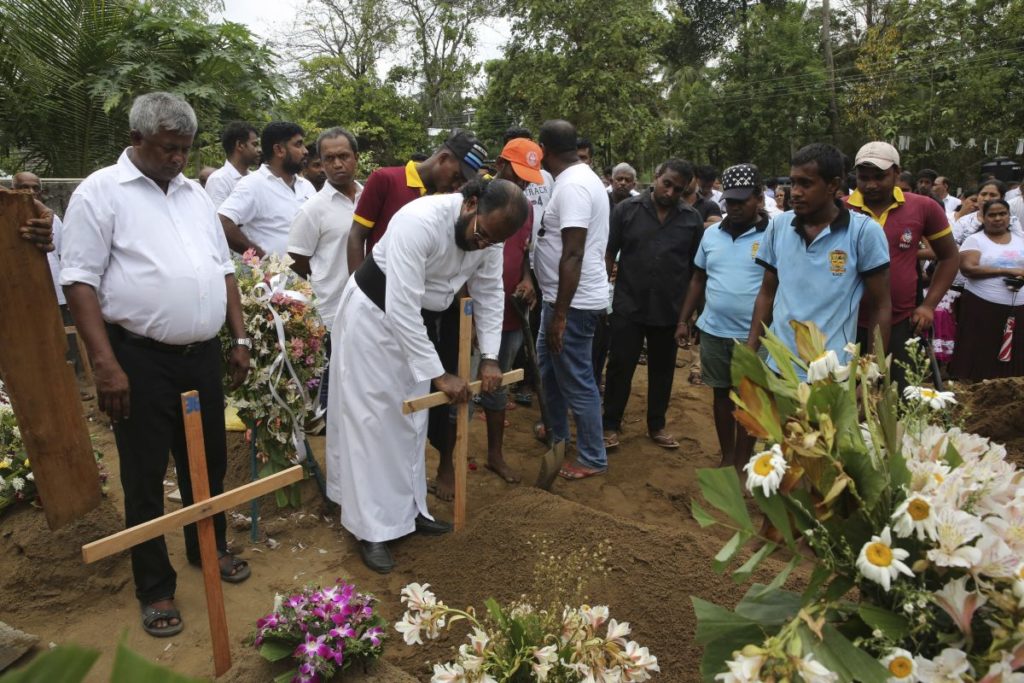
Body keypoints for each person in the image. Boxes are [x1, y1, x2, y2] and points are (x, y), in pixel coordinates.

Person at [59, 92, 251, 638]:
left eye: (186, 149)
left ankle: (206, 549)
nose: (179, 160)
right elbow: (78, 279)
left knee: (207, 464)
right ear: (137, 138)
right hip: (137, 360)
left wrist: (239, 338)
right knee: (144, 475)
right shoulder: (101, 192)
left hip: (201, 358)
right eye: (169, 148)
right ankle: (155, 586)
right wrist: (105, 364)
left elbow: (224, 271)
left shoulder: (193, 195)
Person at [326, 179, 529, 573]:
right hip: (373, 316)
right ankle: (372, 529)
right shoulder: (418, 221)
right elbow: (399, 302)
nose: (483, 246)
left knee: (411, 421)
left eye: (494, 242)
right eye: (482, 235)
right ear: (471, 204)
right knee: (373, 422)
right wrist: (438, 374)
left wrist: (489, 356)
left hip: (415, 324)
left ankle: (409, 510)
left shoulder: (491, 234)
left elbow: (488, 291)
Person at [747, 143, 892, 376]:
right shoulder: (778, 226)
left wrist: (872, 370)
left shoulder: (864, 232)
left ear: (833, 185)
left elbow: (880, 305)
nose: (795, 192)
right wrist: (750, 352)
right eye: (793, 182)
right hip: (778, 366)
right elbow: (766, 293)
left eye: (806, 183)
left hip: (833, 372)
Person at [602, 158, 701, 450]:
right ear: (656, 176)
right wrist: (600, 298)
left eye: (678, 190)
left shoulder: (691, 219)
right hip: (628, 305)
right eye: (666, 183)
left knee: (663, 369)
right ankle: (610, 425)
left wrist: (686, 317)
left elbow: (696, 270)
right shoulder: (626, 211)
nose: (669, 192)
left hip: (668, 309)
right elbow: (609, 254)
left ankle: (656, 425)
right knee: (620, 367)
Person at [677, 163, 770, 472]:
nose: (735, 207)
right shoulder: (712, 235)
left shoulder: (773, 235)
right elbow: (698, 279)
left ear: (759, 198)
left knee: (751, 400)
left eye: (742, 200)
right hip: (715, 330)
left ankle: (744, 462)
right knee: (720, 394)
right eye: (730, 201)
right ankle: (727, 456)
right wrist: (684, 319)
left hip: (756, 334)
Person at [846, 142, 958, 386]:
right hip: (848, 323)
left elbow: (949, 257)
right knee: (850, 399)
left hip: (902, 323)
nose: (871, 184)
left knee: (899, 398)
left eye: (880, 176)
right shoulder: (841, 209)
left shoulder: (923, 207)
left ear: (897, 172)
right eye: (863, 177)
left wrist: (928, 306)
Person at [534, 119, 609, 480]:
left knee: (577, 379)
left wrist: (560, 315)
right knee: (549, 371)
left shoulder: (575, 186)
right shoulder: (572, 180)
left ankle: (592, 456)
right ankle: (557, 434)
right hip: (558, 300)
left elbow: (573, 253)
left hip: (573, 305)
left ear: (543, 149)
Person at [472, 137, 543, 483]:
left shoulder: (527, 209)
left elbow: (524, 252)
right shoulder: (475, 199)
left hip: (511, 309)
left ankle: (495, 455)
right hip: (471, 312)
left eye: (528, 178)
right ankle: (446, 463)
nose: (523, 183)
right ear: (500, 165)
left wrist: (528, 280)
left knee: (497, 383)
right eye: (517, 174)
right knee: (461, 388)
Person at [286, 128, 362, 408]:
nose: (337, 164)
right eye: (329, 158)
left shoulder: (368, 198)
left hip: (369, 309)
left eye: (344, 156)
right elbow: (296, 262)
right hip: (332, 313)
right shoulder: (313, 209)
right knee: (334, 392)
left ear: (356, 157)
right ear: (319, 161)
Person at [346, 129, 486, 273]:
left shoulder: (451, 201)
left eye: (464, 182)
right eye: (457, 176)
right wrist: (356, 286)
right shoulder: (385, 180)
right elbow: (356, 235)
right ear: (443, 158)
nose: (457, 185)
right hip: (377, 286)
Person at [951, 199, 1024, 380]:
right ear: (983, 218)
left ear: (1009, 216)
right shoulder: (975, 240)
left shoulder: (1021, 239)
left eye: (1002, 214)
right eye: (992, 215)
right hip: (982, 306)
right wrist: (1006, 270)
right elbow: (969, 269)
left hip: (1018, 307)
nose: (998, 218)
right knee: (981, 350)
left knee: (1016, 351)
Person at [218, 121, 315, 257]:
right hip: (275, 277)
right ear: (279, 150)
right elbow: (222, 222)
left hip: (311, 275)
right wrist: (262, 259)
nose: (305, 151)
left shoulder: (306, 186)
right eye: (298, 144)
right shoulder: (253, 184)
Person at [205, 121, 260, 208]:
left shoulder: (256, 178)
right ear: (240, 145)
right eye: (254, 144)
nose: (259, 150)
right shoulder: (219, 180)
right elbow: (218, 219)